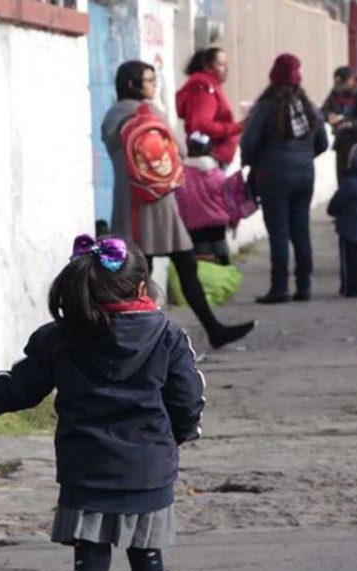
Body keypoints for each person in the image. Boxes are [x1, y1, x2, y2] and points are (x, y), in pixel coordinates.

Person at [0, 234, 205, 571]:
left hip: (86, 468)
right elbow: (187, 400)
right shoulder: (168, 336)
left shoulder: (59, 338)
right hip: (148, 468)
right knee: (147, 555)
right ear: (142, 286)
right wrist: (174, 437)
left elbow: (16, 390)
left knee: (91, 559)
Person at [102, 60, 254, 348]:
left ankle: (136, 340)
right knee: (186, 265)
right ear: (134, 85)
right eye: (149, 80)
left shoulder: (111, 118)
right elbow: (181, 151)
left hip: (129, 205)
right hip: (160, 202)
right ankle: (212, 329)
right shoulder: (151, 114)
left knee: (137, 276)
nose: (154, 84)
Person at [241, 53, 328, 303]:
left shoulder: (266, 107)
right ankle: (304, 286)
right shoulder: (309, 107)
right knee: (301, 231)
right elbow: (322, 142)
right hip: (304, 175)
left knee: (279, 232)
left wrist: (251, 164)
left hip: (273, 177)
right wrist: (303, 158)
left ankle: (279, 288)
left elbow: (249, 143)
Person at [176, 47, 243, 167]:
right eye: (221, 65)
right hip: (211, 155)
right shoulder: (204, 88)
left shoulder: (209, 86)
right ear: (208, 67)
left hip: (213, 155)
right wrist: (236, 127)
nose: (226, 69)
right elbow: (202, 125)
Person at [175, 131, 231, 264]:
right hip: (218, 225)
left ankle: (208, 284)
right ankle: (224, 282)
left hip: (195, 226)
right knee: (222, 257)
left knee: (202, 261)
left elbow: (180, 201)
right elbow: (227, 198)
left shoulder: (183, 174)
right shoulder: (217, 173)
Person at [327, 144, 357, 297]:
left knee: (350, 262)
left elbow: (333, 206)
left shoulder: (349, 183)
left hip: (349, 230)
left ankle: (350, 289)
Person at [322, 66, 357, 185]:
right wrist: (329, 116)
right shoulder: (337, 91)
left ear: (352, 80)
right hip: (342, 142)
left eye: (343, 85)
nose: (341, 89)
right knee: (342, 181)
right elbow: (324, 110)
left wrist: (349, 123)